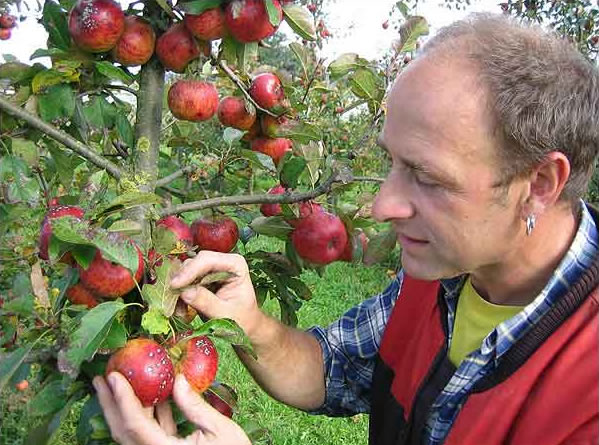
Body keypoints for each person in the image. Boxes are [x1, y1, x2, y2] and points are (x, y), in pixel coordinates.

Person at [93, 12, 599, 445]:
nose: (381, 206)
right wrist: (251, 325)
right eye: (392, 163)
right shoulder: (445, 273)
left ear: (539, 183)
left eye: (425, 176)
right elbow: (334, 369)